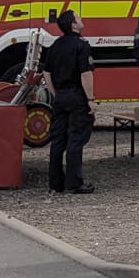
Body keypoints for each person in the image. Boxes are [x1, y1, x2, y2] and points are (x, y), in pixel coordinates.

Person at [42, 10, 96, 194]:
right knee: (75, 139)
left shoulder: (55, 45)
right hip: (76, 97)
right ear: (73, 25)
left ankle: (55, 183)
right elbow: (86, 73)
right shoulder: (82, 45)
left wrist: (55, 93)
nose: (81, 20)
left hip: (61, 97)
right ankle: (74, 183)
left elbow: (46, 72)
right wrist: (90, 99)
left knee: (58, 140)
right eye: (78, 18)